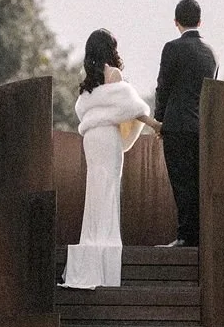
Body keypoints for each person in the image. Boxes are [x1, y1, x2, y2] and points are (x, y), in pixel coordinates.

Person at [64, 29, 159, 289]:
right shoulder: (113, 74)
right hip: (107, 137)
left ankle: (92, 242)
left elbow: (83, 110)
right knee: (108, 188)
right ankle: (106, 244)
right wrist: (155, 124)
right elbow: (133, 108)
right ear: (110, 48)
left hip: (91, 139)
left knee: (95, 188)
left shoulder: (88, 81)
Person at [154, 0, 217, 248]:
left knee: (181, 183)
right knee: (197, 181)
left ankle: (184, 236)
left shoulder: (172, 48)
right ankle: (199, 235)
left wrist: (160, 118)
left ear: (176, 22)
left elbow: (163, 86)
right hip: (200, 127)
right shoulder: (211, 53)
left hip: (176, 125)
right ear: (200, 21)